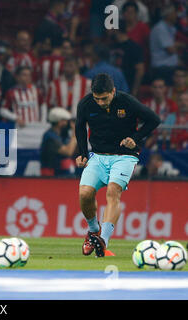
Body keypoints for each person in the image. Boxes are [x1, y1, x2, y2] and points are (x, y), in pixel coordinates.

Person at [75, 73, 160, 257]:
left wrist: (135, 138)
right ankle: (93, 230)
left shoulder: (128, 102)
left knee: (113, 192)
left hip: (124, 156)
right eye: (97, 98)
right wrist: (82, 153)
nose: (100, 102)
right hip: (97, 156)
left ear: (113, 91)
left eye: (104, 98)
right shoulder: (85, 104)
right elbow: (80, 126)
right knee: (84, 193)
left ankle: (103, 241)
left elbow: (154, 119)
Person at [40, 107, 77, 176]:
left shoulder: (62, 135)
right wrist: (75, 133)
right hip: (50, 176)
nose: (68, 124)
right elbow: (68, 152)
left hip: (60, 172)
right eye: (66, 121)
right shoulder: (50, 136)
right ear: (60, 122)